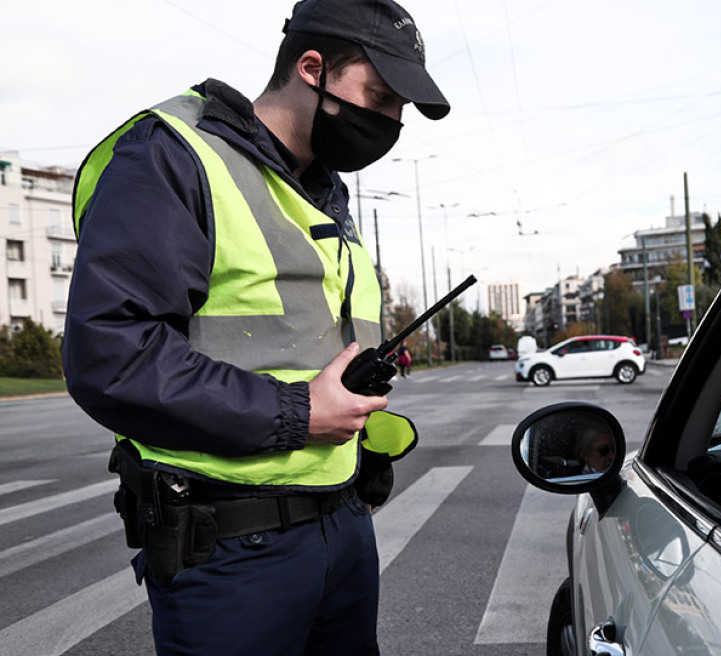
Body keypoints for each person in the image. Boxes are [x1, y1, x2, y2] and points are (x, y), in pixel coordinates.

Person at [63, 0, 448, 653]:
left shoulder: (321, 188)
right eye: (379, 97)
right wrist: (299, 413)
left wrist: (362, 456)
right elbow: (112, 355)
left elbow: (303, 345)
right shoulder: (174, 154)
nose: (390, 122)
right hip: (230, 547)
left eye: (400, 109)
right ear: (312, 69)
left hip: (342, 524)